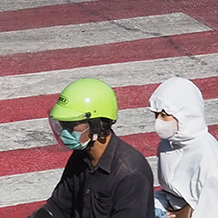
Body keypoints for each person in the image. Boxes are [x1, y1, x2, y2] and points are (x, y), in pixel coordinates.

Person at [30, 78, 153, 218]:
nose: (65, 131)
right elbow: (58, 208)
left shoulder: (130, 174)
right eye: (63, 124)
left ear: (97, 124)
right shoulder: (81, 157)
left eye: (72, 124)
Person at [150, 76, 218, 218]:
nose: (158, 122)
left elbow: (213, 210)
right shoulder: (167, 143)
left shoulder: (207, 155)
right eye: (156, 115)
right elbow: (170, 191)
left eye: (164, 115)